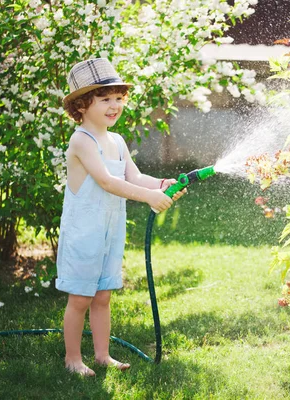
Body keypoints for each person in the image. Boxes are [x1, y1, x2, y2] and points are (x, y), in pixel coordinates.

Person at [57, 58, 185, 376]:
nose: (114, 106)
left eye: (118, 98)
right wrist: (150, 198)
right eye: (105, 99)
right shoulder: (81, 140)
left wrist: (160, 185)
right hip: (84, 232)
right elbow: (107, 182)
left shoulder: (116, 141)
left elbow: (135, 176)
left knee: (102, 296)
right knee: (81, 298)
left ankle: (102, 355)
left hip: (109, 231)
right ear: (82, 106)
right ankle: (72, 358)